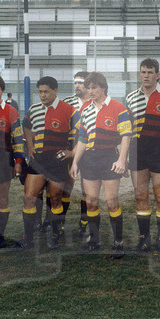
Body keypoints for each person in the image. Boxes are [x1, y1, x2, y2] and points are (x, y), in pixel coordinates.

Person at [70, 72, 132, 258]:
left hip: (109, 159)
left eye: (94, 88)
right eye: (88, 88)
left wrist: (121, 160)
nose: (90, 91)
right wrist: (75, 162)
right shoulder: (85, 110)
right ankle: (94, 240)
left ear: (103, 88)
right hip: (89, 160)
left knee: (112, 202)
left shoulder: (118, 107)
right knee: (91, 201)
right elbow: (82, 137)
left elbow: (126, 135)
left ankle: (118, 242)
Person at [126, 58, 160, 255]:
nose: (146, 76)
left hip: (159, 149)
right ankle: (144, 238)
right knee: (140, 195)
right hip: (137, 149)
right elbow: (126, 130)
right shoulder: (131, 97)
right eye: (143, 72)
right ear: (139, 75)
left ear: (157, 75)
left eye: (150, 72)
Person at [19, 76, 79, 249]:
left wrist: (72, 152)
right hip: (38, 161)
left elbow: (82, 134)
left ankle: (54, 235)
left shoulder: (69, 110)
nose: (42, 95)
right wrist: (30, 146)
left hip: (58, 160)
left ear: (55, 91)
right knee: (29, 197)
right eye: (40, 92)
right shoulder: (34, 109)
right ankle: (28, 238)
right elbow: (26, 125)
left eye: (46, 92)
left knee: (56, 199)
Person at [0, 75, 24, 248]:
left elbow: (17, 139)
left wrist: (18, 161)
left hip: (4, 159)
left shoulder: (11, 111)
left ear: (2, 91)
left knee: (3, 199)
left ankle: (0, 235)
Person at [63, 71, 91, 239]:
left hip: (89, 149)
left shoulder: (96, 101)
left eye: (80, 82)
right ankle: (59, 222)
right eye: (75, 82)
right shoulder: (68, 102)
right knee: (66, 186)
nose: (77, 86)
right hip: (69, 147)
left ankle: (84, 222)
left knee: (87, 189)